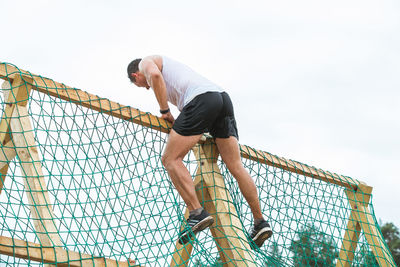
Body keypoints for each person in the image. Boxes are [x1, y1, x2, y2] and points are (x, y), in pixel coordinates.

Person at [127, 55, 272, 247]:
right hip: (222, 98)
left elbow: (154, 76)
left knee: (170, 159)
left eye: (141, 84)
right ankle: (260, 221)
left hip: (202, 100)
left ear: (135, 75)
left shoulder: (145, 62)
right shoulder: (174, 74)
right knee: (235, 166)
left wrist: (164, 112)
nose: (146, 88)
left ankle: (196, 212)